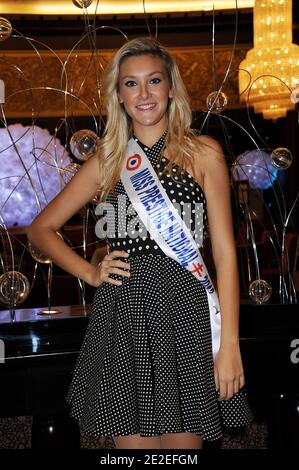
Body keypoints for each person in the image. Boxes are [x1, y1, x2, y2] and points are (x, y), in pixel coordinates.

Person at [28, 37, 251, 450]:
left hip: (185, 315)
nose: (144, 94)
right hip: (122, 317)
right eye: (131, 84)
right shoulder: (108, 160)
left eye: (154, 81)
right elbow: (41, 229)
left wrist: (230, 346)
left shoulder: (204, 154)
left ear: (170, 88)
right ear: (119, 94)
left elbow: (224, 254)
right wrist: (91, 272)